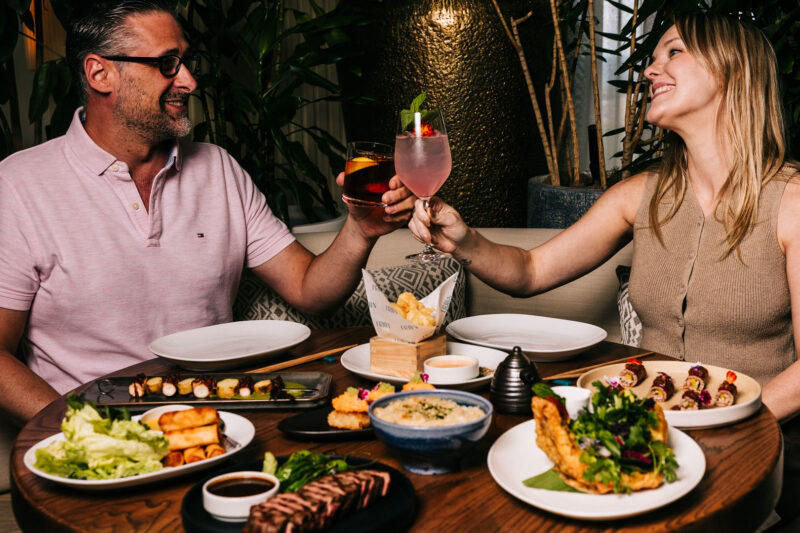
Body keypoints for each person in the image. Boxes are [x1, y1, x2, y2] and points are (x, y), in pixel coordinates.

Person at [410, 12, 800, 524]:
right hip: (645, 442)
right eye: (653, 57)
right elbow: (529, 272)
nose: (650, 69)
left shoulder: (791, 203)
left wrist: (719, 426)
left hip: (760, 447)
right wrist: (465, 241)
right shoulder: (639, 195)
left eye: (673, 52)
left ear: (734, 70)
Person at [0, 0, 414, 426]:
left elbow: (311, 291)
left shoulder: (218, 168)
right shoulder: (17, 184)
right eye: (167, 64)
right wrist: (82, 431)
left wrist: (360, 230)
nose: (190, 80)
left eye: (187, 61)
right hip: (97, 435)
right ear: (100, 74)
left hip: (222, 422)